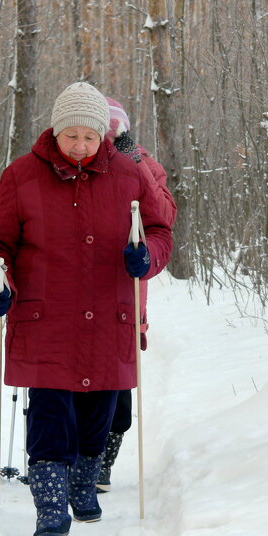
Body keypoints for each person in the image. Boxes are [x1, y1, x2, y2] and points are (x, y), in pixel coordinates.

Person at [0, 82, 173, 536]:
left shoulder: (129, 174)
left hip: (109, 314)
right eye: (71, 136)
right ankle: (49, 507)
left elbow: (160, 228)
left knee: (98, 412)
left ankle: (83, 483)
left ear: (104, 135)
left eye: (90, 136)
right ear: (55, 132)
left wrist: (148, 257)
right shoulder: (22, 176)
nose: (81, 145)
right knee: (48, 411)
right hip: (45, 317)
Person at [95, 98, 178, 493]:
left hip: (125, 292)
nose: (108, 142)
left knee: (118, 392)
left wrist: (136, 162)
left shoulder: (146, 165)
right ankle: (77, 460)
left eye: (116, 134)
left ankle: (103, 463)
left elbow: (164, 216)